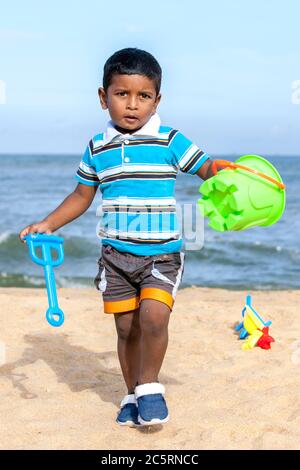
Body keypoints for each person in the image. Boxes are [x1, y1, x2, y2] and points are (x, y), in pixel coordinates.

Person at [19, 47, 215, 427]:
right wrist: (48, 224)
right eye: (121, 94)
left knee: (154, 318)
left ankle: (150, 387)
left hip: (162, 254)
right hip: (115, 256)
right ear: (102, 96)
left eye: (143, 96)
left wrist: (222, 171)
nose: (132, 104)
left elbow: (204, 166)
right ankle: (131, 394)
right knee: (126, 329)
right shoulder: (97, 147)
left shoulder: (168, 140)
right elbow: (81, 195)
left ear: (157, 100)